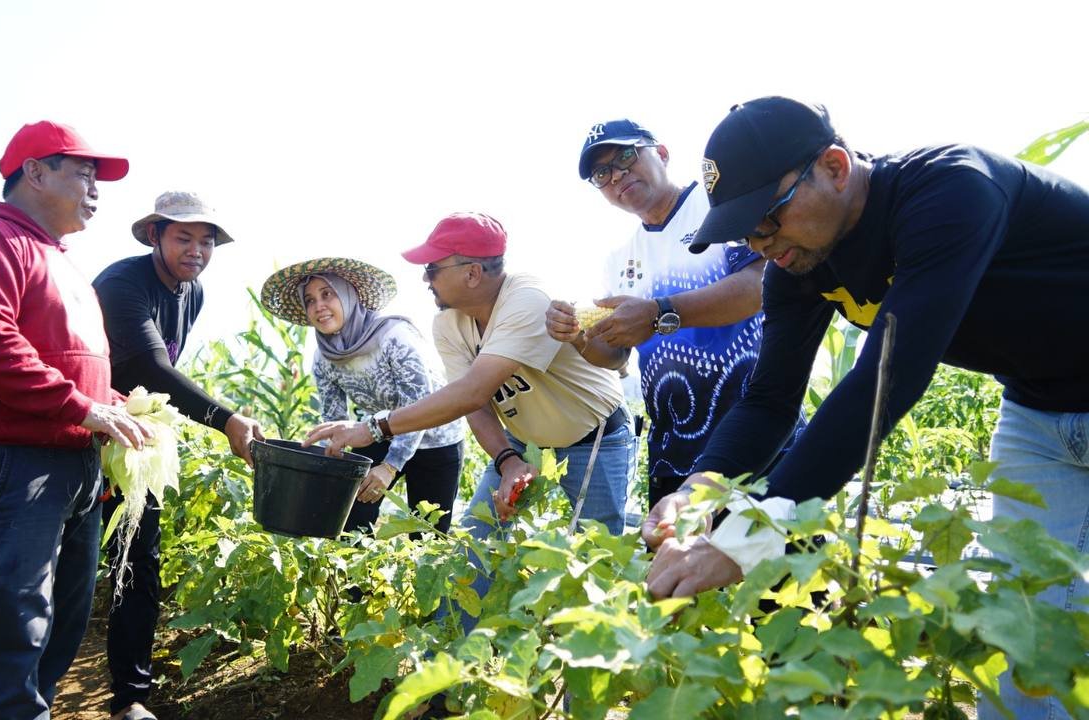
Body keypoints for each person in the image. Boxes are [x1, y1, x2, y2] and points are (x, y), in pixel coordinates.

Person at [642, 96, 1089, 720]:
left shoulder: (950, 191)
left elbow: (887, 380)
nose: (761, 245)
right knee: (1026, 635)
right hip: (1038, 414)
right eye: (746, 233)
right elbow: (771, 400)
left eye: (768, 220)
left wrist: (749, 536)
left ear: (834, 166)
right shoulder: (796, 265)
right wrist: (699, 489)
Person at [304, 213, 632, 623]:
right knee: (471, 554)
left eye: (433, 269)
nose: (426, 279)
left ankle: (589, 675)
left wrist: (372, 427)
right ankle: (444, 671)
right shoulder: (448, 322)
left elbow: (471, 391)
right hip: (521, 444)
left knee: (593, 564)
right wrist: (507, 461)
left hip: (594, 440)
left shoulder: (527, 299)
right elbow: (478, 406)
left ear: (473, 273)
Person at [0, 120, 150, 720]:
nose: (96, 189)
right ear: (34, 172)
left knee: (61, 622)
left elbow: (65, 357)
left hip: (75, 463)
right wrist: (83, 406)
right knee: (16, 627)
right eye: (83, 172)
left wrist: (116, 405)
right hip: (12, 462)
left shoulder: (61, 259)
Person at [547, 118, 799, 508]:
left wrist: (658, 312)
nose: (617, 175)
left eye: (626, 156)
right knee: (679, 566)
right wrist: (579, 336)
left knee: (782, 562)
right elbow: (615, 357)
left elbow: (759, 288)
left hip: (757, 430)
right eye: (602, 172)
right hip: (675, 450)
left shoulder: (719, 206)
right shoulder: (619, 260)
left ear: (661, 153)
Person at [92, 191, 265, 720]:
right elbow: (148, 363)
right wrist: (227, 420)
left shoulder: (193, 293)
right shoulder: (123, 283)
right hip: (84, 431)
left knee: (138, 562)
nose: (196, 249)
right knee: (67, 563)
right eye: (183, 237)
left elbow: (158, 381)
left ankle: (130, 700)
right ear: (154, 237)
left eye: (206, 240)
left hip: (134, 443)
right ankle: (27, 690)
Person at [260, 257, 466, 536]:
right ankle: (354, 579)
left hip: (435, 436)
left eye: (327, 294)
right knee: (349, 520)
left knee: (427, 534)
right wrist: (327, 470)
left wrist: (390, 467)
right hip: (379, 432)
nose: (318, 306)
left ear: (349, 295)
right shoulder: (324, 357)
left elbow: (419, 407)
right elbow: (336, 421)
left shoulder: (394, 337)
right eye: (309, 300)